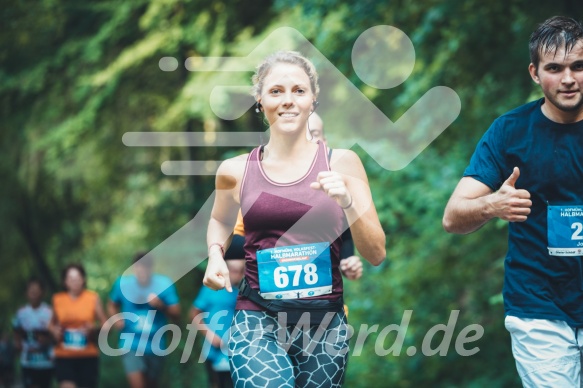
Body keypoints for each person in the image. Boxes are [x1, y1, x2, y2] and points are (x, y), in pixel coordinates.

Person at [204, 50, 386, 387]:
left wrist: (348, 202)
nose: (288, 100)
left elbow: (375, 253)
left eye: (298, 91)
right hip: (258, 319)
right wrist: (216, 252)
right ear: (259, 100)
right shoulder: (235, 171)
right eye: (276, 91)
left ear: (313, 99)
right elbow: (220, 221)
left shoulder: (343, 164)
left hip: (325, 325)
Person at [442, 16, 583, 386]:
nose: (568, 78)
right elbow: (453, 216)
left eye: (578, 66)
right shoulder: (510, 131)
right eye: (555, 68)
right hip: (538, 307)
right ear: (535, 73)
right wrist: (492, 206)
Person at [108, 252, 180, 388]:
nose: (141, 271)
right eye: (138, 267)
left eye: (145, 267)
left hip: (156, 345)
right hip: (130, 343)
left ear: (151, 268)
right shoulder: (123, 284)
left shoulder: (164, 284)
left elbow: (177, 314)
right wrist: (116, 319)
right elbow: (112, 304)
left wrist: (161, 305)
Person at [49, 263, 107, 388]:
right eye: (71, 279)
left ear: (83, 279)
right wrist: (54, 331)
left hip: (88, 355)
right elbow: (51, 325)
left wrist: (94, 328)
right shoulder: (58, 299)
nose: (74, 282)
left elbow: (105, 324)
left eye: (77, 278)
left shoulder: (92, 298)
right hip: (64, 355)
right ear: (65, 282)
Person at [190, 259, 245, 388]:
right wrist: (209, 334)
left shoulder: (245, 291)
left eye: (242, 271)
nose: (239, 275)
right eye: (236, 271)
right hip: (214, 351)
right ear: (228, 270)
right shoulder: (212, 288)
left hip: (238, 351)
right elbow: (194, 314)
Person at [13, 278, 54, 388]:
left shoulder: (49, 312)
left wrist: (47, 340)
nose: (34, 293)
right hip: (27, 361)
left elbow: (56, 334)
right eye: (31, 290)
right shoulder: (21, 313)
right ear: (26, 293)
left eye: (37, 290)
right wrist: (18, 344)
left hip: (46, 362)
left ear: (42, 292)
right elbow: (16, 330)